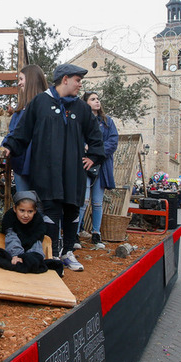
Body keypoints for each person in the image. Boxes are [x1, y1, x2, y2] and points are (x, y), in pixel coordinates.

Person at [2, 63, 105, 273]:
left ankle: (67, 252)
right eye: (77, 80)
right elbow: (23, 131)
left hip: (73, 171)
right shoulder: (40, 102)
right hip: (46, 169)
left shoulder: (82, 108)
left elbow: (95, 137)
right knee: (51, 209)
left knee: (72, 208)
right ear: (65, 79)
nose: (80, 84)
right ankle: (52, 253)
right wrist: (10, 146)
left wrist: (93, 157)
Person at [0, 191, 63, 275]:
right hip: (15, 241)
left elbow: (37, 238)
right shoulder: (9, 216)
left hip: (31, 240)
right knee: (11, 239)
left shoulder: (38, 220)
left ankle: (32, 260)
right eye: (22, 210)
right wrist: (16, 255)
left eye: (30, 211)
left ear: (35, 211)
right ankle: (19, 258)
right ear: (15, 209)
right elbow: (10, 236)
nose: (26, 215)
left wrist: (30, 257)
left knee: (36, 247)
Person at [78, 91, 117, 248]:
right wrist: (84, 149)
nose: (97, 101)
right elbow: (77, 140)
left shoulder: (108, 122)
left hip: (102, 165)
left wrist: (95, 153)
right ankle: (75, 233)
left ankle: (96, 234)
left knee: (97, 202)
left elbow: (113, 142)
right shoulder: (80, 122)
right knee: (83, 201)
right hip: (84, 165)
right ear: (86, 103)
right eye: (92, 99)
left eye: (98, 99)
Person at [3, 64, 47, 193]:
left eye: (21, 79)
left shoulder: (46, 105)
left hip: (39, 164)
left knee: (39, 206)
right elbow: (12, 132)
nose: (19, 83)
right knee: (23, 201)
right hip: (20, 163)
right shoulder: (20, 108)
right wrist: (4, 146)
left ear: (31, 79)